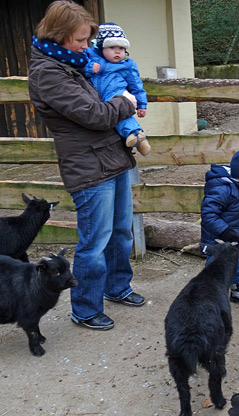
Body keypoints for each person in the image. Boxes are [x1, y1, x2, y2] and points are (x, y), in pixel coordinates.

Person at [28, 1, 145, 331]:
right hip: (87, 165)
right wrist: (126, 102)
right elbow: (95, 115)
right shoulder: (48, 73)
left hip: (110, 157)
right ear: (59, 35)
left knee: (120, 232)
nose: (86, 46)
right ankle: (85, 306)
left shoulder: (77, 62)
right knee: (94, 242)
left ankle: (117, 287)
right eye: (80, 39)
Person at [200, 149, 239, 306]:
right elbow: (208, 214)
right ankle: (209, 297)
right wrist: (224, 230)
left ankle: (236, 291)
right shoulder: (222, 189)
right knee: (215, 269)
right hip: (217, 243)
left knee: (236, 264)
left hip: (233, 242)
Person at [84, 22, 151, 157]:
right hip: (95, 98)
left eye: (121, 48)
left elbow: (136, 85)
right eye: (112, 47)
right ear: (101, 47)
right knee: (109, 118)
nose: (117, 51)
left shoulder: (127, 65)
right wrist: (89, 69)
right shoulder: (90, 57)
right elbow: (79, 66)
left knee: (120, 115)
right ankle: (139, 138)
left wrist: (142, 104)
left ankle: (134, 135)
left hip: (117, 94)